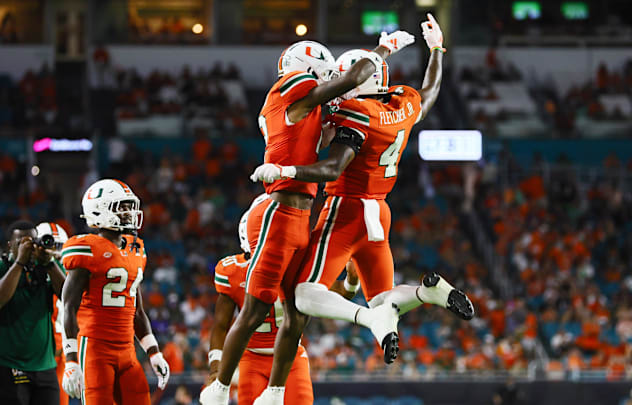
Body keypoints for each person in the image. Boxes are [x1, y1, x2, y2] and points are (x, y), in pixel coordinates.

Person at [250, 15, 474, 396]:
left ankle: (368, 319)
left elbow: (333, 166)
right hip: (381, 213)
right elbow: (431, 91)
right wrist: (436, 50)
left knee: (303, 295)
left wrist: (283, 168)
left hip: (346, 210)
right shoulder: (402, 103)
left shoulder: (356, 112)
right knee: (387, 300)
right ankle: (425, 294)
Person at [200, 31, 416, 405]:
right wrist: (383, 50)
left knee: (298, 308)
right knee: (254, 308)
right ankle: (218, 391)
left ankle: (276, 391)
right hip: (282, 211)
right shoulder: (287, 91)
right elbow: (350, 80)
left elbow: (317, 138)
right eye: (322, 73)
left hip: (303, 212)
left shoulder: (304, 110)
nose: (328, 80)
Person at [207, 196, 361, 405]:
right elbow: (220, 325)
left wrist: (352, 280)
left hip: (291, 358)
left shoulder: (297, 266)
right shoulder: (233, 271)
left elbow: (341, 292)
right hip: (251, 359)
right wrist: (215, 368)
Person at [60, 179, 170, 405]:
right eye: (122, 207)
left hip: (127, 350)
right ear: (99, 209)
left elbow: (137, 311)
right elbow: (68, 306)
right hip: (94, 349)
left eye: (130, 206)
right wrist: (71, 360)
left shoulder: (135, 248)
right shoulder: (87, 248)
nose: (130, 212)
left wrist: (154, 352)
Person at [0, 220, 66, 405]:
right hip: (7, 367)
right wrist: (19, 262)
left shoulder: (47, 268)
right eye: (21, 243)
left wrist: (49, 263)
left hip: (46, 367)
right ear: (10, 245)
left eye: (32, 242)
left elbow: (68, 296)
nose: (28, 247)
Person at [35, 222, 69, 405]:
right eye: (49, 246)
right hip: (32, 356)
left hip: (60, 356)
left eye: (58, 247)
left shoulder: (72, 277)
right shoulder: (27, 273)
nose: (53, 252)